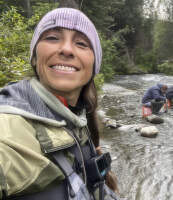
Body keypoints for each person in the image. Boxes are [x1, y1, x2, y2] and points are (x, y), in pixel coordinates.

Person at [0, 8, 118, 200]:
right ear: (35, 56)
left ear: (94, 65)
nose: (67, 49)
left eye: (81, 43)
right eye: (53, 38)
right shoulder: (9, 128)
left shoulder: (78, 118)